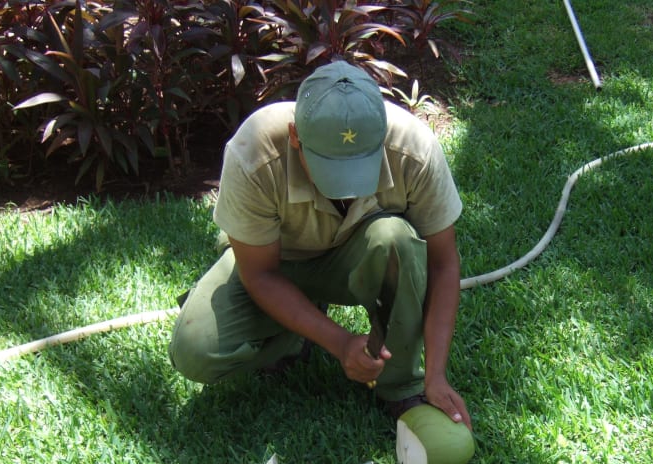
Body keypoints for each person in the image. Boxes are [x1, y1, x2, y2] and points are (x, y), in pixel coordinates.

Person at [169, 61, 472, 430]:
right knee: (195, 351)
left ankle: (400, 384)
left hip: (355, 259)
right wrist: (340, 342)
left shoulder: (415, 148)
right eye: (330, 167)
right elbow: (260, 273)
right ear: (295, 136)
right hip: (277, 262)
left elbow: (443, 263)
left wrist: (436, 375)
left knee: (396, 239)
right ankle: (296, 334)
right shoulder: (254, 151)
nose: (347, 188)